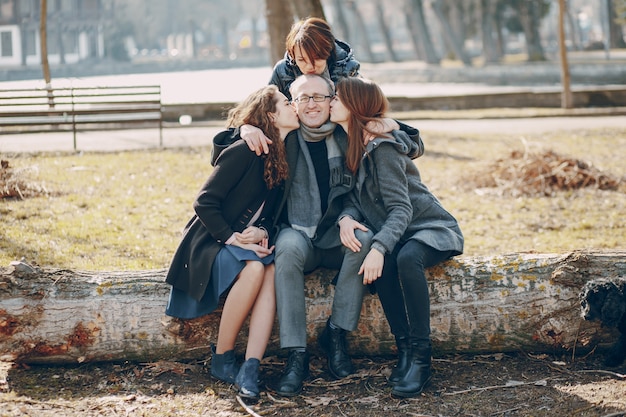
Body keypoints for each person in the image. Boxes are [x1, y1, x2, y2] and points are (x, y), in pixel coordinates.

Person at [212, 74, 424, 397]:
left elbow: (396, 154)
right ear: (293, 106)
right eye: (303, 98)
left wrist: (346, 217)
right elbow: (224, 150)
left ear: (332, 102)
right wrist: (244, 128)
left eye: (320, 97)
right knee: (287, 248)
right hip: (297, 233)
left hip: (337, 235)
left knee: (364, 240)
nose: (311, 104)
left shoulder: (347, 135)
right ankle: (296, 355)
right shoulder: (286, 137)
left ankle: (336, 335)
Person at [330, 77, 464, 398]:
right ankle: (404, 349)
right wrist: (346, 217)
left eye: (337, 97)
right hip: (400, 232)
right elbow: (354, 197)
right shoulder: (353, 143)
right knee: (387, 263)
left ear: (354, 105)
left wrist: (377, 246)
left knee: (403, 258)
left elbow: (402, 209)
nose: (331, 100)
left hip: (429, 228)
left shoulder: (382, 147)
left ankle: (421, 356)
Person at [164, 85, 299, 401]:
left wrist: (262, 232)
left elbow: (271, 214)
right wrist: (231, 237)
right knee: (254, 269)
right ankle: (222, 357)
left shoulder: (279, 154)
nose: (293, 106)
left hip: (240, 243)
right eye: (286, 102)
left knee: (269, 271)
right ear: (270, 115)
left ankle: (251, 364)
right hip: (209, 241)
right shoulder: (245, 149)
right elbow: (204, 202)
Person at [270, 17, 360, 101]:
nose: (310, 66)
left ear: (328, 52)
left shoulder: (347, 69)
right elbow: (265, 109)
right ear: (293, 56)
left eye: (317, 58)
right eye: (301, 60)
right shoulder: (282, 71)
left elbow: (363, 108)